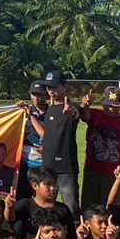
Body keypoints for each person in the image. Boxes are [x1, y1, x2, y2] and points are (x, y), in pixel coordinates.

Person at [79, 87, 120, 210]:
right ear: (102, 102)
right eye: (108, 105)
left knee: (113, 209)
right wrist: (85, 104)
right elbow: (84, 115)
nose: (111, 108)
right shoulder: (95, 115)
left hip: (116, 174)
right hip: (93, 170)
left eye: (116, 105)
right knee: (89, 208)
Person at [38, 72, 83, 211]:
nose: (51, 91)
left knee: (71, 207)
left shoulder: (72, 106)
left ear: (64, 87)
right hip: (47, 167)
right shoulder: (49, 110)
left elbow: (75, 113)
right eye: (48, 88)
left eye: (54, 87)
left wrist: (70, 112)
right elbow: (47, 134)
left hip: (65, 169)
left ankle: (73, 232)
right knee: (46, 205)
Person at [11, 168, 75, 239]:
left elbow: (71, 237)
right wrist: (9, 208)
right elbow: (10, 219)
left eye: (54, 184)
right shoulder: (24, 205)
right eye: (48, 185)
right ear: (35, 186)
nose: (52, 188)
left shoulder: (63, 209)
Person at [16, 81, 47, 200]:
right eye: (33, 94)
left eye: (39, 94)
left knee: (40, 198)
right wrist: (16, 110)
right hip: (24, 163)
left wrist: (32, 117)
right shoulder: (23, 111)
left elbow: (46, 136)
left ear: (45, 95)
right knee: (22, 197)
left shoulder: (52, 113)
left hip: (43, 164)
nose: (36, 98)